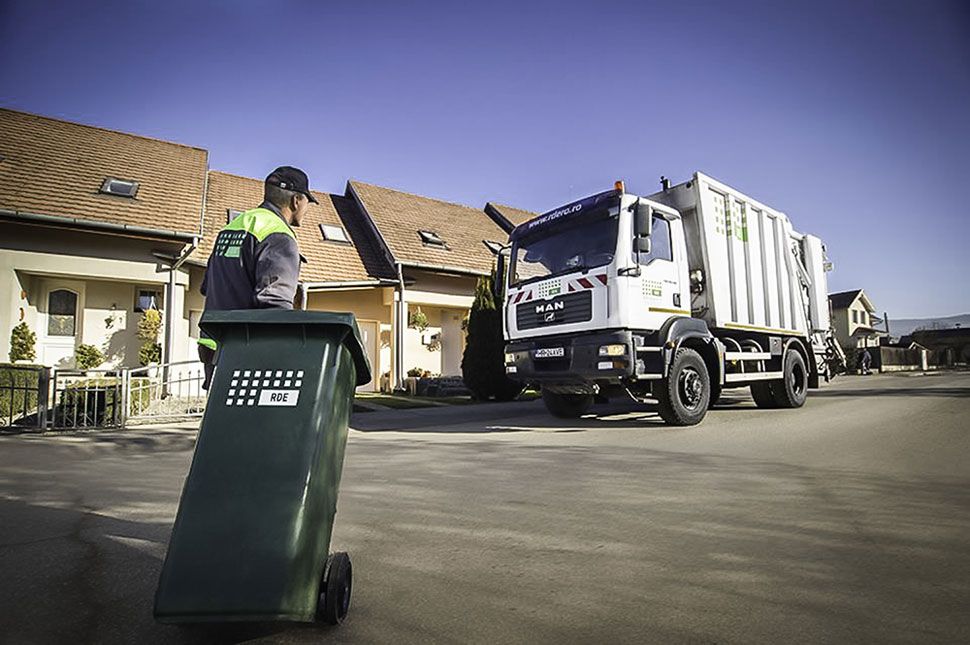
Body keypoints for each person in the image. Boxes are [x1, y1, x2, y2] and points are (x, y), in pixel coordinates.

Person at [197, 166, 316, 389]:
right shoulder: (277, 234)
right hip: (248, 358)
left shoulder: (232, 228)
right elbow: (275, 306)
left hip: (213, 350)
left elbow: (207, 288)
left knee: (221, 421)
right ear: (296, 201)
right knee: (252, 423)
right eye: (307, 202)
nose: (306, 209)